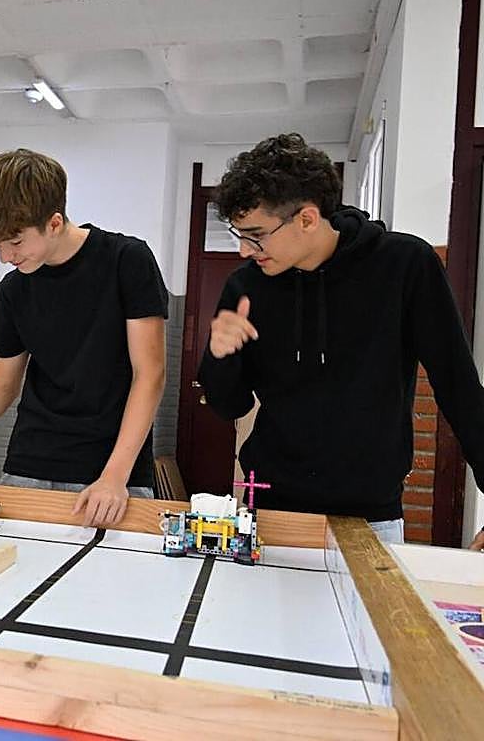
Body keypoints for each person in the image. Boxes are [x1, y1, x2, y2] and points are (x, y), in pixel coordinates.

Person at [197, 132, 484, 548]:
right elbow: (230, 406)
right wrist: (219, 356)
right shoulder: (247, 287)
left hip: (371, 516)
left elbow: (458, 384)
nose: (244, 250)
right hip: (274, 512)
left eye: (256, 234)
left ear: (307, 219)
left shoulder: (404, 266)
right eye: (238, 234)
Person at [0, 149, 168, 528]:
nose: (4, 257)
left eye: (14, 242)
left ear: (55, 222)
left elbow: (150, 375)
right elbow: (2, 383)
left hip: (113, 470)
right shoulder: (14, 290)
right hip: (30, 463)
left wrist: (115, 476)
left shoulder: (126, 260)